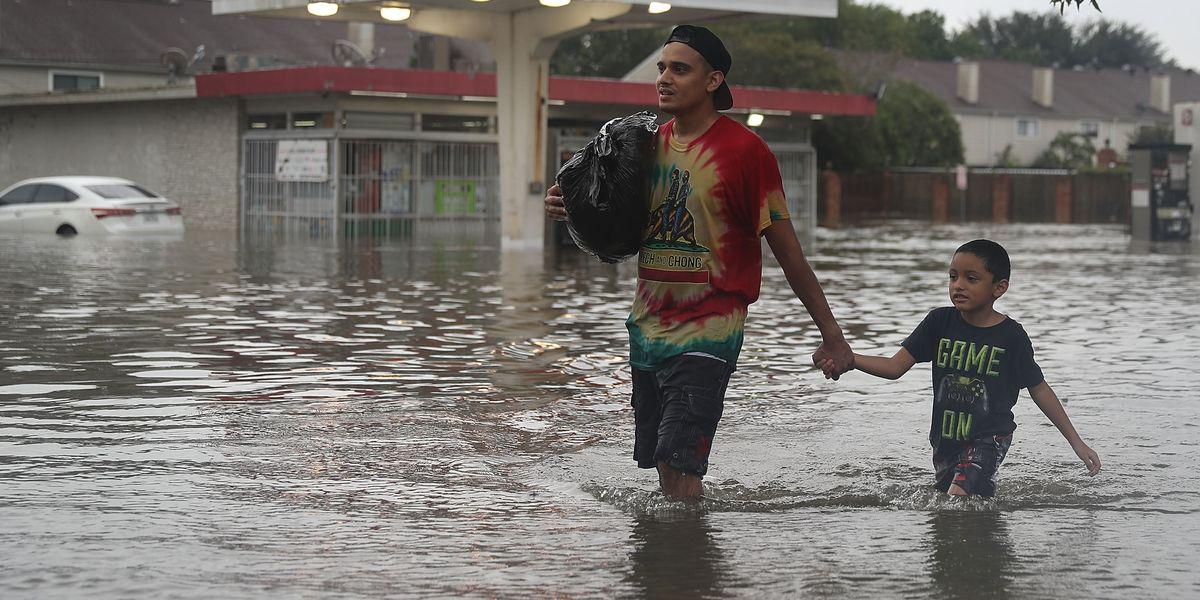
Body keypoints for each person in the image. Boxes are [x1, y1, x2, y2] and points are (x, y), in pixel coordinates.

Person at [545, 25, 853, 500]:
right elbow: (616, 228)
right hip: (647, 327)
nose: (664, 78)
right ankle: (669, 563)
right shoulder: (642, 148)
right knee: (663, 469)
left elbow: (788, 252)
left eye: (680, 69)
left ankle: (688, 566)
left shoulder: (747, 153)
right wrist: (575, 207)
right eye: (662, 68)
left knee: (678, 459)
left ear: (713, 81)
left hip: (711, 329)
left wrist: (831, 335)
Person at [825, 239, 1101, 497]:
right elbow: (895, 367)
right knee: (952, 511)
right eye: (952, 276)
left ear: (999, 287)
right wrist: (849, 359)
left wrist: (1076, 442)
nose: (958, 285)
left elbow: (1039, 389)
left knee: (958, 501)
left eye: (971, 279)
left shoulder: (1011, 336)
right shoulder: (939, 322)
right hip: (945, 439)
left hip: (989, 437)